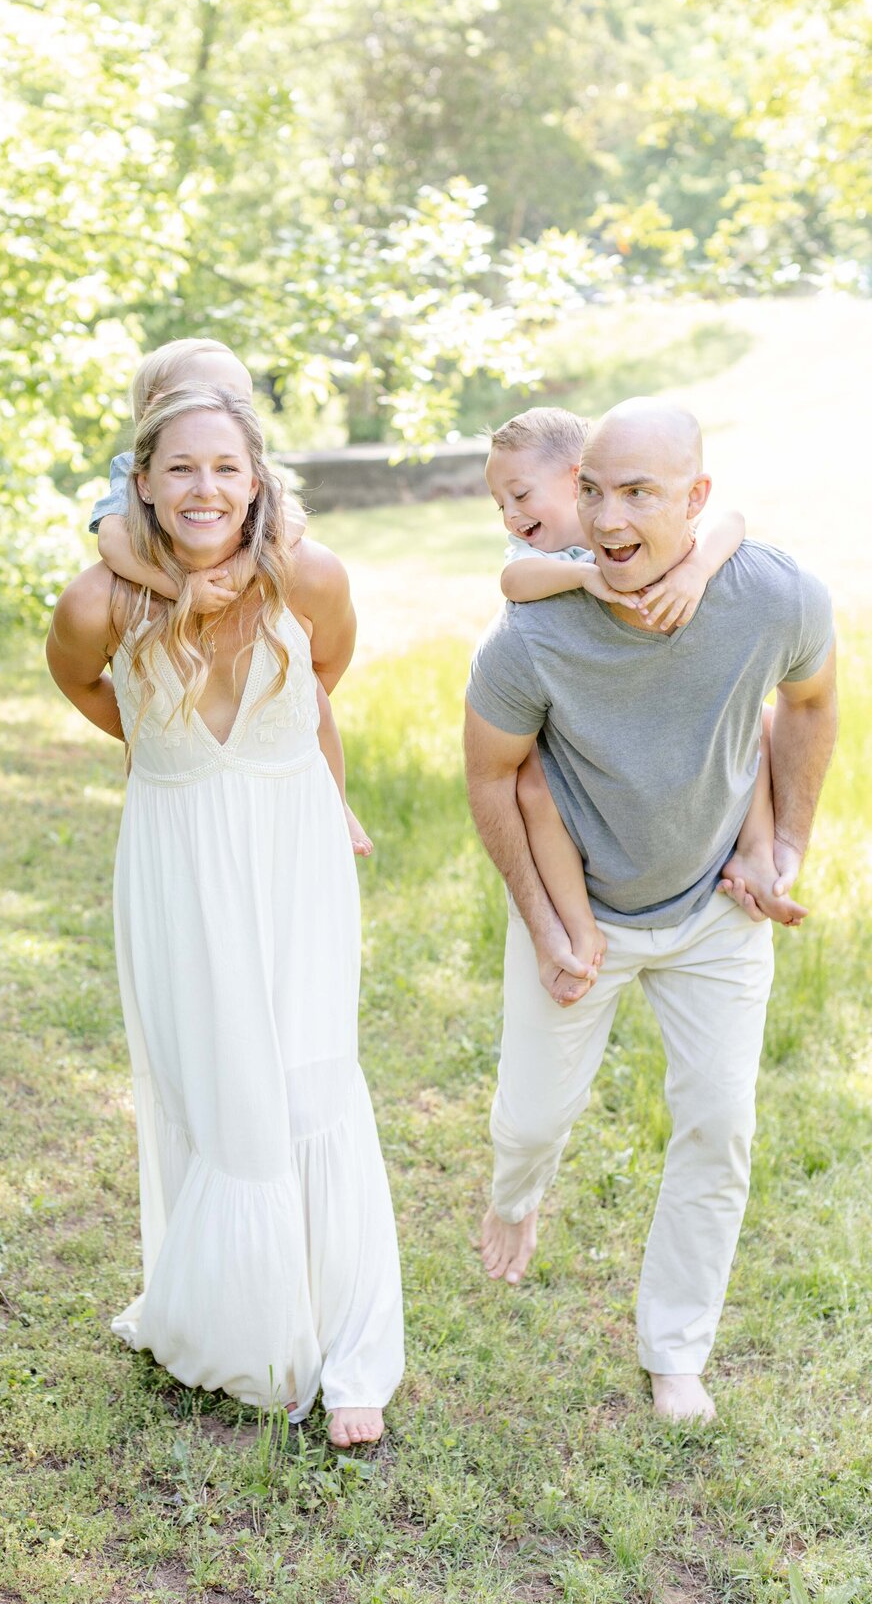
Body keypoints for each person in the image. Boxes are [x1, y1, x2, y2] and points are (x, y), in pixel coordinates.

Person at [464, 397, 836, 1420]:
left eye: (639, 493)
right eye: (595, 491)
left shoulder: (767, 595)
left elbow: (810, 701)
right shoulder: (532, 633)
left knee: (720, 1124)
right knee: (534, 1117)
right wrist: (547, 928)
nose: (611, 513)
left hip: (716, 904)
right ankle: (514, 1195)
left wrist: (787, 847)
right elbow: (493, 780)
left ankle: (676, 1353)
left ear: (697, 500)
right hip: (585, 907)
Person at [47, 384, 404, 1447]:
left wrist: (293, 768)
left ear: (258, 481)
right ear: (143, 482)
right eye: (182, 468)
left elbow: (325, 672)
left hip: (293, 852)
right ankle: (240, 1328)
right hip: (176, 861)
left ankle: (352, 1358)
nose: (206, 488)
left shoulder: (310, 575)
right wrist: (161, 751)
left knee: (311, 1082)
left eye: (227, 468)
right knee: (217, 1089)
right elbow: (80, 685)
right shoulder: (96, 605)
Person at [484, 407, 802, 1010]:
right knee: (533, 789)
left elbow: (731, 519)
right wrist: (583, 582)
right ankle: (577, 925)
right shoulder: (547, 560)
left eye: (520, 495)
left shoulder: (647, 531)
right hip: (579, 731)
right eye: (500, 504)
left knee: (752, 721)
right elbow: (512, 582)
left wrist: (698, 573)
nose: (511, 515)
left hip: (661, 708)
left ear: (577, 477)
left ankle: (756, 855)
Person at [89, 337, 372, 856]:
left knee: (310, 698)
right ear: (155, 409)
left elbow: (293, 520)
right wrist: (180, 590)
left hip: (257, 618)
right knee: (166, 699)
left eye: (240, 398)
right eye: (212, 393)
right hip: (175, 595)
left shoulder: (244, 461)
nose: (231, 410)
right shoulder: (130, 468)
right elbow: (112, 541)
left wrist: (243, 569)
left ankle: (337, 801)